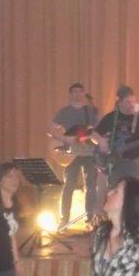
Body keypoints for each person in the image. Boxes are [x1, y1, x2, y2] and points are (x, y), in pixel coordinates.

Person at [50, 82, 100, 229]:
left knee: (91, 185)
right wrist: (65, 139)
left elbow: (97, 130)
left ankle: (90, 219)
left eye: (80, 91)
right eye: (75, 91)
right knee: (69, 185)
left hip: (89, 151)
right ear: (70, 94)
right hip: (71, 153)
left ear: (84, 93)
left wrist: (93, 133)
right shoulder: (64, 111)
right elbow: (51, 130)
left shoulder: (90, 111)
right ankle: (64, 219)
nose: (78, 94)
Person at [95, 85, 139, 186]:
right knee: (114, 190)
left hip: (133, 162)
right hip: (113, 162)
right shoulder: (110, 117)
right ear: (119, 103)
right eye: (128, 102)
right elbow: (94, 133)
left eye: (133, 101)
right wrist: (101, 141)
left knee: (134, 190)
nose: (132, 105)